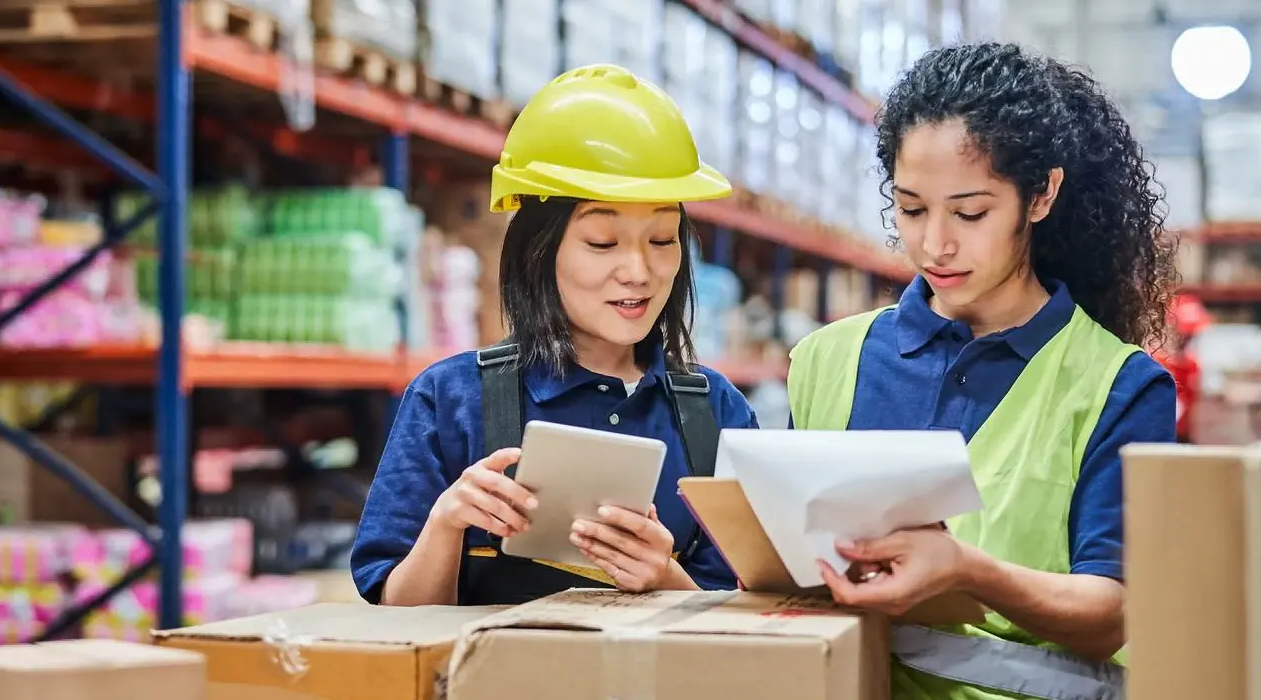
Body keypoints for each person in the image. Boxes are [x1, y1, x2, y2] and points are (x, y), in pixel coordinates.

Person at [786, 43, 1179, 699]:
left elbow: (1109, 610)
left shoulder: (1119, 386)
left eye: (970, 213)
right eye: (911, 209)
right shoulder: (826, 360)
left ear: (1041, 195)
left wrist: (967, 571)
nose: (935, 244)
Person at [350, 64, 758, 607]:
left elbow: (750, 623)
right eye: (602, 242)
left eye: (662, 239)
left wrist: (663, 577)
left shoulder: (719, 415)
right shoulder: (450, 400)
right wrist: (448, 524)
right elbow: (392, 614)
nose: (639, 271)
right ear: (537, 251)